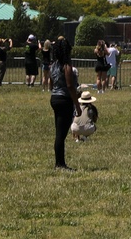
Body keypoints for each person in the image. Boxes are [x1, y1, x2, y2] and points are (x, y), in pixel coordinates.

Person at [49, 37, 81, 170]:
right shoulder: (67, 65)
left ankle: (59, 162)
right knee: (61, 135)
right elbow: (69, 85)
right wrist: (77, 105)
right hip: (64, 100)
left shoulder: (54, 65)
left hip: (55, 98)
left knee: (59, 132)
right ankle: (60, 164)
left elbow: (51, 83)